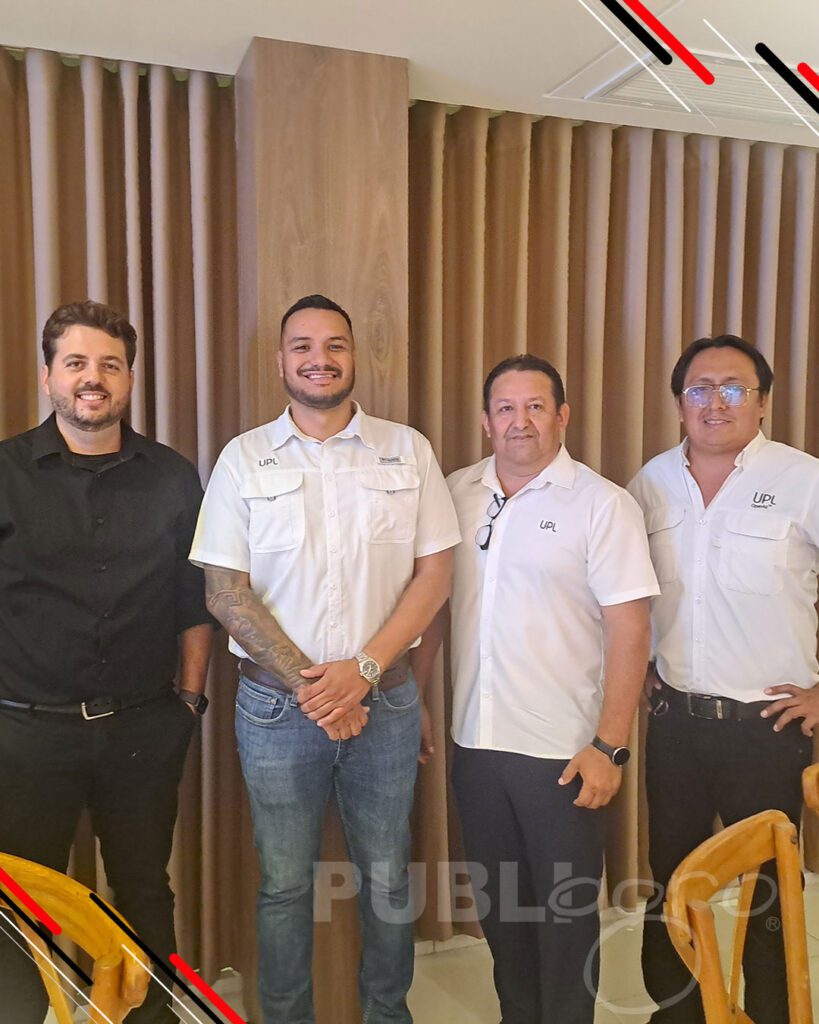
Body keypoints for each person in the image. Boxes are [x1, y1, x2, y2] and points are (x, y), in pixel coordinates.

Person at [190, 293, 460, 1024]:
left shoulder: (408, 450)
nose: (319, 359)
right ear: (280, 361)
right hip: (275, 710)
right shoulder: (243, 458)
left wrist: (361, 672)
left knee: (387, 879)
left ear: (354, 356)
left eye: (335, 344)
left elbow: (434, 576)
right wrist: (319, 691)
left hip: (388, 702)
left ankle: (388, 1016)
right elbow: (224, 591)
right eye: (302, 346)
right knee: (283, 885)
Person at [418, 354, 658, 1024]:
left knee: (565, 924)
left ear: (561, 416)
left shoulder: (602, 505)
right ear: (485, 421)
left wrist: (609, 747)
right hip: (477, 746)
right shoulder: (455, 492)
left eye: (534, 406)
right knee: (502, 918)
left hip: (564, 754)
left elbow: (631, 631)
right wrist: (416, 698)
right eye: (505, 408)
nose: (519, 421)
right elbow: (433, 606)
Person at [0, 300, 213, 1024]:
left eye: (110, 365)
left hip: (143, 727)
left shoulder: (173, 477)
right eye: (77, 363)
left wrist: (189, 703)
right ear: (48, 376)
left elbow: (193, 600)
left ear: (129, 378)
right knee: (21, 903)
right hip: (26, 735)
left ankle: (153, 1018)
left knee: (145, 890)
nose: (93, 378)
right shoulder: (4, 473)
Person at [628, 334, 819, 1024]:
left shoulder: (803, 480)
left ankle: (771, 1015)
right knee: (672, 880)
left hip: (766, 729)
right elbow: (624, 590)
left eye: (734, 388)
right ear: (679, 403)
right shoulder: (649, 483)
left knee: (769, 893)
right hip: (675, 725)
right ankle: (677, 1012)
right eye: (699, 388)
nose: (716, 402)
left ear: (761, 402)